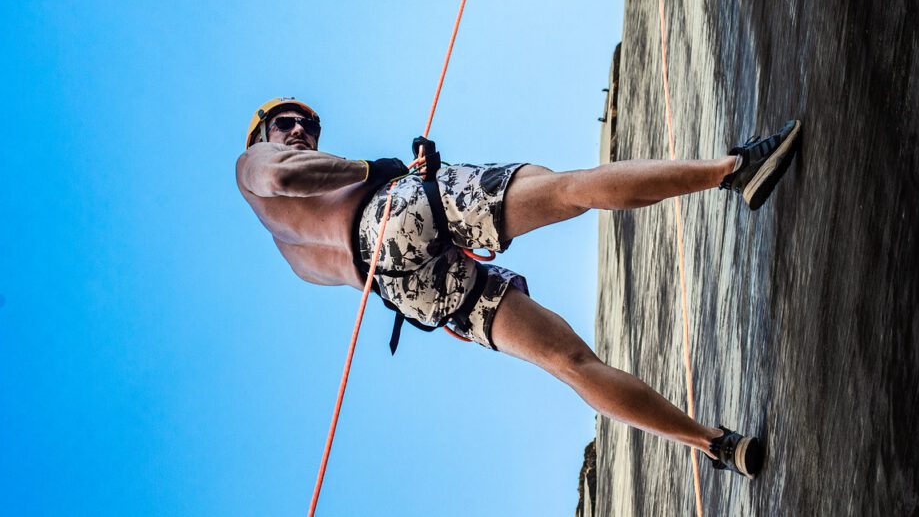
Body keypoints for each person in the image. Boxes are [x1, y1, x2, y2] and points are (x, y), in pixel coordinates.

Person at [235, 97, 802, 478]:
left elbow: (363, 260)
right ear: (260, 134)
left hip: (409, 291)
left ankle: (714, 445)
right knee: (566, 190)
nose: (298, 130)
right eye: (283, 123)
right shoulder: (253, 165)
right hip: (397, 211)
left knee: (572, 363)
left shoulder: (294, 256)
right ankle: (732, 170)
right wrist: (382, 171)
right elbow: (285, 174)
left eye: (305, 123)